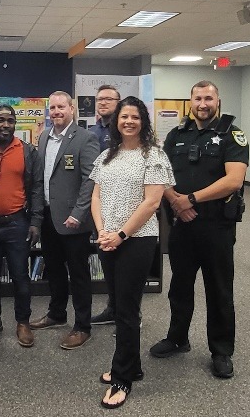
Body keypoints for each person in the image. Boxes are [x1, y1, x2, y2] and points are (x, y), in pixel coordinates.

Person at [149, 80, 248, 380]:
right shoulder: (176, 134)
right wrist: (176, 203)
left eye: (208, 98)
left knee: (218, 289)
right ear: (190, 101)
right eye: (197, 98)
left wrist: (190, 199)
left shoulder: (232, 134)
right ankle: (178, 338)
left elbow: (234, 181)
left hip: (216, 226)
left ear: (218, 100)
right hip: (182, 225)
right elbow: (160, 173)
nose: (202, 104)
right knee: (179, 286)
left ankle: (221, 351)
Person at [90, 96, 174, 409]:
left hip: (136, 240)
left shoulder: (153, 155)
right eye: (124, 117)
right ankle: (133, 365)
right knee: (119, 306)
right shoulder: (107, 154)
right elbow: (95, 196)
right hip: (107, 238)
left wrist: (121, 234)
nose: (128, 122)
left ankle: (123, 377)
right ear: (116, 121)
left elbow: (152, 202)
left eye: (135, 117)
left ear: (143, 122)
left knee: (126, 310)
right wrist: (102, 231)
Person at [29, 91, 100, 350]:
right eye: (53, 108)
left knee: (79, 274)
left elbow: (91, 180)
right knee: (55, 270)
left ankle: (83, 326)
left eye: (61, 107)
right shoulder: (45, 136)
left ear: (72, 109)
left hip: (73, 220)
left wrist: (79, 214)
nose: (56, 112)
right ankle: (57, 314)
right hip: (49, 216)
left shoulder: (86, 139)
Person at [0, 105, 44, 348]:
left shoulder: (27, 151)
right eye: (0, 120)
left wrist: (36, 221)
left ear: (15, 123)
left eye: (10, 120)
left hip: (17, 222)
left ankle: (23, 322)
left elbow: (37, 187)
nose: (5, 125)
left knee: (20, 276)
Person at [89, 84, 121, 327]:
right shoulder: (91, 132)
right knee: (106, 257)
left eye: (109, 99)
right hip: (99, 203)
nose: (103, 103)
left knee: (125, 262)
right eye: (100, 99)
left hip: (123, 204)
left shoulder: (126, 129)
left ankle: (129, 314)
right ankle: (113, 308)